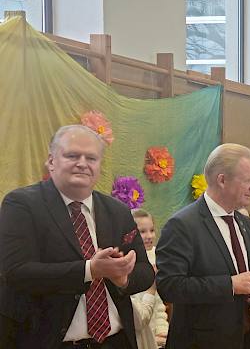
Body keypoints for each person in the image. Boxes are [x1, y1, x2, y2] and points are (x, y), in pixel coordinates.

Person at [0, 125, 154, 348]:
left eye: (91, 158)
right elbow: (16, 272)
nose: (82, 163)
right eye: (72, 155)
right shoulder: (22, 204)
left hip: (115, 341)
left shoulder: (117, 211)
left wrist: (123, 278)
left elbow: (145, 272)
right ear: (51, 161)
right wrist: (90, 270)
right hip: (49, 341)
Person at [156, 143, 250, 348]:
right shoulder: (182, 225)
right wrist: (230, 285)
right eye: (248, 180)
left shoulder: (245, 223)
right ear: (222, 180)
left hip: (247, 339)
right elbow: (170, 286)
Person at [131, 209, 169, 346]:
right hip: (137, 335)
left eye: (152, 230)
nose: (149, 236)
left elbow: (159, 302)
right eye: (142, 231)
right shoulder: (128, 263)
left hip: (155, 331)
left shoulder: (158, 257)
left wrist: (162, 329)